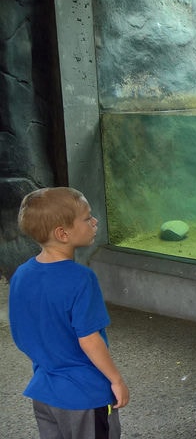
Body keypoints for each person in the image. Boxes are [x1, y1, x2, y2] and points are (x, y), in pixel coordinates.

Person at [9, 187, 130, 439]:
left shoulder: (21, 274)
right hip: (86, 397)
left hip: (44, 392)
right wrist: (116, 380)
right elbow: (89, 339)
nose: (94, 221)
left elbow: (21, 332)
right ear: (63, 233)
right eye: (87, 218)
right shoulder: (81, 279)